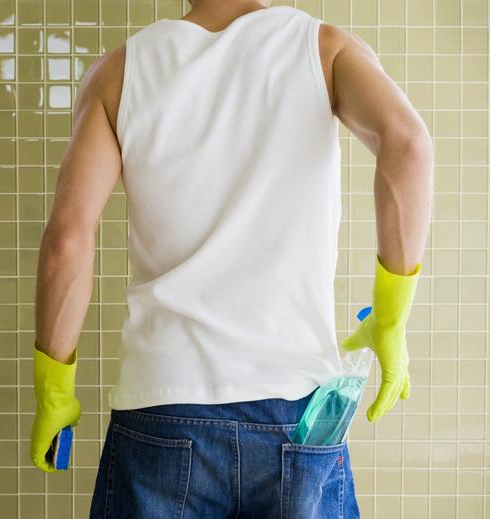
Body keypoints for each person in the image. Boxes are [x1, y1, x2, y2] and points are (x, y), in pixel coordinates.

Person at [29, 0, 433, 517]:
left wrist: (55, 389)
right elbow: (410, 145)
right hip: (299, 414)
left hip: (162, 406)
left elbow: (67, 239)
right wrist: (391, 319)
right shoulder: (324, 50)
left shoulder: (119, 73)